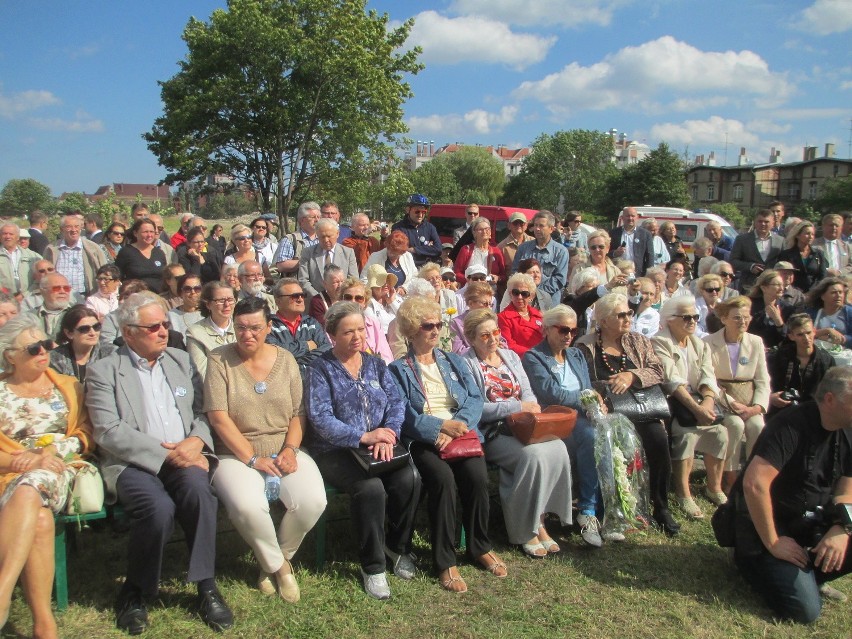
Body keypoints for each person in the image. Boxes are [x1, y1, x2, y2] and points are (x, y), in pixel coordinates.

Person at [86, 293, 234, 634]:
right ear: (128, 333)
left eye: (165, 324)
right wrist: (167, 453)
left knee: (200, 494)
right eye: (152, 327)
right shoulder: (104, 370)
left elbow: (202, 412)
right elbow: (108, 431)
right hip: (132, 463)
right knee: (157, 508)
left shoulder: (180, 361)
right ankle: (134, 591)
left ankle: (206, 586)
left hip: (185, 455)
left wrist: (196, 441)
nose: (162, 331)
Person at [204, 297, 325, 603]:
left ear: (269, 327)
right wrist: (252, 458)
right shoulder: (219, 360)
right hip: (236, 454)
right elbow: (218, 417)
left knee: (312, 501)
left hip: (284, 448)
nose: (248, 335)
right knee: (248, 506)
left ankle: (268, 559)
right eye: (241, 328)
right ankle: (281, 568)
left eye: (255, 327)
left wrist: (290, 448)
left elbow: (299, 414)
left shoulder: (285, 360)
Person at [388, 296, 507, 592]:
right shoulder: (398, 369)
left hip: (460, 433)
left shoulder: (453, 359)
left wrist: (456, 427)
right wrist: (438, 427)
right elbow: (404, 414)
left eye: (438, 324)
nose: (435, 330)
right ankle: (445, 561)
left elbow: (474, 398)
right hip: (424, 439)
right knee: (442, 481)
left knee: (477, 477)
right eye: (428, 326)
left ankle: (479, 546)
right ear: (411, 331)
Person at [306, 302, 420, 600]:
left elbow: (396, 403)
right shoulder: (321, 369)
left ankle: (397, 547)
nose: (357, 337)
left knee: (409, 478)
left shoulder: (375, 364)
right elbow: (320, 418)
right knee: (370, 489)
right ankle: (373, 566)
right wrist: (364, 436)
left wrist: (389, 434)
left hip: (379, 446)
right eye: (348, 332)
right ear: (332, 335)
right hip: (336, 450)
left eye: (361, 329)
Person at [731, 367, 852, 624]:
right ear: (830, 399)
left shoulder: (849, 429)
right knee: (805, 611)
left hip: (813, 523)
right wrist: (774, 542)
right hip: (772, 526)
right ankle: (759, 565)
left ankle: (808, 573)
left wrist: (842, 528)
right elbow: (754, 484)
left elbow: (847, 488)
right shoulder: (790, 425)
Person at [0, 315, 94, 639]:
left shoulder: (68, 387)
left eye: (47, 345)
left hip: (59, 468)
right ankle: (44, 624)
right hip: (6, 474)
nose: (44, 351)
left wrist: (46, 456)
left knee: (30, 490)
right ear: (10, 354)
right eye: (34, 347)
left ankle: (2, 592)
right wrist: (15, 461)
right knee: (40, 520)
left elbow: (85, 434)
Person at [462, 308, 572, 557]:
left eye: (496, 332)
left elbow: (528, 391)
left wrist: (529, 410)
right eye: (484, 336)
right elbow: (477, 408)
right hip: (494, 433)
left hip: (525, 426)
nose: (493, 339)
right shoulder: (466, 364)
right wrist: (516, 407)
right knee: (532, 457)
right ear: (471, 338)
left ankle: (541, 521)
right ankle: (526, 530)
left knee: (558, 448)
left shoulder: (509, 355)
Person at [576, 293, 676, 535]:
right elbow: (584, 380)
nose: (628, 318)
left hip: (640, 408)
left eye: (629, 313)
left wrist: (632, 376)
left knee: (658, 440)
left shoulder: (638, 341)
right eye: (620, 315)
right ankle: (617, 507)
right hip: (608, 410)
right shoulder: (586, 345)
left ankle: (660, 506)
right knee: (609, 442)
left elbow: (657, 370)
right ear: (603, 320)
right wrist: (606, 389)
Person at [522, 304, 610, 544]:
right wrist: (588, 400)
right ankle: (588, 511)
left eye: (573, 329)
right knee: (592, 436)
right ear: (547, 329)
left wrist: (597, 400)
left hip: (584, 415)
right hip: (558, 420)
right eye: (563, 330)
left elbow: (587, 385)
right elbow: (552, 394)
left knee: (610, 434)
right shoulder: (534, 357)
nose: (569, 335)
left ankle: (608, 509)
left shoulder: (576, 354)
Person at [652, 296, 733, 523]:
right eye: (686, 317)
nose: (692, 321)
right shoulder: (660, 342)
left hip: (698, 403)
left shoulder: (699, 343)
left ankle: (713, 487)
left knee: (720, 433)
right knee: (686, 435)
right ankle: (683, 493)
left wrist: (707, 402)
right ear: (670, 320)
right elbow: (672, 381)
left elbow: (708, 375)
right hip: (674, 405)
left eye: (695, 317)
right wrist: (696, 408)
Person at [703, 296, 769, 492]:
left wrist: (757, 407)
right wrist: (733, 404)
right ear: (724, 319)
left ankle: (751, 474)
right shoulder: (708, 342)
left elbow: (763, 379)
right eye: (737, 318)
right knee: (734, 424)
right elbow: (710, 380)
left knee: (757, 425)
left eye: (746, 317)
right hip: (723, 401)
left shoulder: (756, 342)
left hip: (749, 401)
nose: (743, 322)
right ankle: (730, 474)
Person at [767, 313, 833, 417]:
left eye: (809, 332)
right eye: (800, 334)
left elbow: (830, 391)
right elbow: (766, 382)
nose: (806, 338)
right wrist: (770, 397)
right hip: (781, 411)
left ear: (815, 331)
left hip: (814, 413)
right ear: (791, 336)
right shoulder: (779, 356)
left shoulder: (826, 360)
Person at [266, 278, 331, 374]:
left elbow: (326, 349)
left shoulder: (311, 323)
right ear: (278, 301)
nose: (300, 299)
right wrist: (307, 346)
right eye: (294, 296)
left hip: (312, 381)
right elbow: (274, 354)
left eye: (302, 295)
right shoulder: (268, 326)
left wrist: (298, 364)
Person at [49, 304, 116, 383]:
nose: (93, 333)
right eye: (84, 329)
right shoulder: (55, 358)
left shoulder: (111, 353)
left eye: (96, 327)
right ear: (69, 333)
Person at [44, 215, 107, 296]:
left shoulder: (93, 248)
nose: (74, 230)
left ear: (81, 228)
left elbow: (105, 272)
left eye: (76, 226)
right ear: (61, 229)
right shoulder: (51, 249)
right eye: (69, 227)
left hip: (84, 296)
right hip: (58, 294)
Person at [298, 219, 358, 303]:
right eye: (322, 236)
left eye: (329, 236)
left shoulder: (348, 253)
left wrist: (341, 297)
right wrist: (319, 299)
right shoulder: (307, 253)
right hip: (315, 303)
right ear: (317, 235)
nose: (326, 240)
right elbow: (303, 280)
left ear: (337, 234)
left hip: (342, 302)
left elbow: (353, 280)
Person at [512, 211, 569, 299]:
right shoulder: (523, 248)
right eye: (535, 225)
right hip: (525, 300)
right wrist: (526, 291)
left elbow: (559, 280)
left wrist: (537, 292)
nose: (537, 229)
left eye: (541, 226)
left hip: (549, 303)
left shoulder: (561, 252)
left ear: (551, 229)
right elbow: (515, 273)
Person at [186, 282, 236, 380]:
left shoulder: (243, 327)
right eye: (220, 301)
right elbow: (202, 373)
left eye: (230, 300)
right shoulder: (195, 333)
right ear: (208, 304)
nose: (227, 305)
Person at [338, 278, 393, 363]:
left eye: (359, 298)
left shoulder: (374, 324)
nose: (353, 302)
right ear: (341, 300)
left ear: (365, 302)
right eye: (348, 297)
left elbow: (386, 356)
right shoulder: (335, 325)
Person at [730, 209, 784, 291]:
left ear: (773, 223)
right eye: (760, 221)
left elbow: (783, 263)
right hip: (748, 286)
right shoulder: (742, 239)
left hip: (772, 286)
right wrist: (750, 266)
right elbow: (733, 261)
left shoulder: (780, 241)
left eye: (766, 222)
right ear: (755, 222)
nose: (763, 224)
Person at [115, 218, 168, 293]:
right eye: (145, 232)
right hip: (135, 297)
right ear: (135, 233)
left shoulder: (159, 253)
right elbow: (117, 277)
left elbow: (165, 278)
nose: (149, 235)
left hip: (157, 298)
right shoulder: (126, 252)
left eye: (152, 232)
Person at [746, 269, 794, 349]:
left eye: (782, 285)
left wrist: (778, 321)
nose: (781, 288)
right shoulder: (749, 304)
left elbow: (788, 338)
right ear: (764, 288)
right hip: (750, 347)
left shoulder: (787, 309)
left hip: (775, 352)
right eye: (777, 285)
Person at [497, 273, 543, 356]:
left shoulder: (539, 315)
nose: (519, 297)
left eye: (524, 294)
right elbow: (508, 345)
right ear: (510, 294)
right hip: (522, 360)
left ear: (531, 296)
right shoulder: (503, 318)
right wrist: (533, 354)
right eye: (516, 292)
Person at [391, 194, 441, 268]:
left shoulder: (430, 227)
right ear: (408, 210)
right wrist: (428, 249)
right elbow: (398, 250)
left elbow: (438, 249)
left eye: (423, 212)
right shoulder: (398, 228)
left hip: (427, 268)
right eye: (417, 211)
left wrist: (414, 249)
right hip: (407, 268)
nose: (420, 215)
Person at [775, 220, 827, 292]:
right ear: (798, 235)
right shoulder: (786, 254)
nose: (810, 237)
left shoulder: (818, 253)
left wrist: (814, 291)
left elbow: (822, 276)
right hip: (793, 293)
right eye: (807, 233)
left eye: (812, 234)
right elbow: (783, 275)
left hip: (814, 293)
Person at [449, 282, 500, 354]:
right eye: (485, 304)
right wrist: (485, 348)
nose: (488, 308)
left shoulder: (491, 320)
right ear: (470, 303)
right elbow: (458, 350)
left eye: (490, 304)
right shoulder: (456, 323)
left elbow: (503, 342)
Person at [453, 218, 505, 287]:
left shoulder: (496, 251)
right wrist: (472, 280)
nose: (484, 231)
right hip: (470, 290)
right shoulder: (466, 250)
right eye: (480, 229)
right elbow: (457, 273)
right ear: (474, 232)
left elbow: (503, 275)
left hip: (489, 291)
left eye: (487, 229)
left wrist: (498, 278)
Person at [273, 202, 320, 277]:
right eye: (313, 217)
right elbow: (281, 265)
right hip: (297, 286)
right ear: (301, 220)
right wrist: (309, 261)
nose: (317, 220)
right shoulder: (290, 239)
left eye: (318, 217)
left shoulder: (323, 239)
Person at [803, 276, 852, 348]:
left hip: (844, 355)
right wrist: (826, 331)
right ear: (823, 296)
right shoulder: (812, 313)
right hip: (818, 354)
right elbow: (802, 333)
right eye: (833, 293)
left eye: (841, 292)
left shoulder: (849, 312)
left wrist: (843, 339)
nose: (838, 295)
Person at [609, 207, 654, 277]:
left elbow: (650, 256)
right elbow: (606, 253)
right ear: (622, 217)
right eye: (627, 216)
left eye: (633, 216)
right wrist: (615, 253)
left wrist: (649, 275)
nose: (630, 218)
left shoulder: (645, 234)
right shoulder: (613, 233)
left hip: (637, 274)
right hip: (617, 272)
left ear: (637, 217)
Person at [27, 273, 72, 341]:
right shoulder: (29, 316)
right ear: (42, 291)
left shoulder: (79, 314)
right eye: (56, 288)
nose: (62, 291)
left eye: (66, 288)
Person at [0, 223, 41, 295]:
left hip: (28, 299)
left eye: (11, 234)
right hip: (3, 300)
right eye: (4, 234)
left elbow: (40, 278)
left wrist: (24, 295)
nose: (7, 236)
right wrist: (6, 296)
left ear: (17, 237)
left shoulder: (33, 256)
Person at [363, 265, 400, 334]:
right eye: (381, 281)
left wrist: (392, 302)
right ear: (372, 286)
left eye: (387, 280)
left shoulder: (395, 297)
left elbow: (405, 318)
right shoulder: (368, 305)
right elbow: (374, 330)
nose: (386, 284)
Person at [813, 213, 852, 277]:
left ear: (841, 228)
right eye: (831, 225)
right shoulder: (813, 245)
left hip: (841, 281)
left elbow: (850, 265)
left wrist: (839, 272)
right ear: (823, 226)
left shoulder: (847, 247)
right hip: (820, 281)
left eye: (836, 225)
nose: (834, 228)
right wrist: (826, 270)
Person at [498, 212, 533, 278]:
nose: (518, 225)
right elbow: (500, 272)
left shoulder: (534, 242)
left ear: (526, 225)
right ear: (509, 225)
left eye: (521, 223)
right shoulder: (501, 247)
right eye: (515, 223)